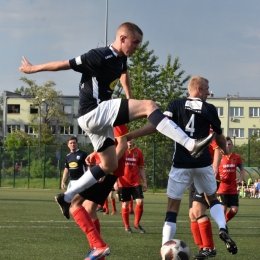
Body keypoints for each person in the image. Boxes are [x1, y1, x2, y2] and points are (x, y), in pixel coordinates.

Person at [19, 22, 214, 258]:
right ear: (122, 38)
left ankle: (68, 196)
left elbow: (124, 75)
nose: (138, 47)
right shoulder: (98, 55)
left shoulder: (121, 60)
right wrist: (32, 69)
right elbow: (65, 64)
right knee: (150, 105)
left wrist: (130, 98)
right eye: (135, 42)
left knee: (109, 164)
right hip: (93, 112)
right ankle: (189, 143)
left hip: (98, 120)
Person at [126, 76, 238, 255]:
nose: (209, 92)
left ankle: (165, 247)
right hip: (202, 162)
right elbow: (219, 137)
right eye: (207, 89)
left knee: (172, 208)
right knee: (212, 198)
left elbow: (158, 125)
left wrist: (132, 135)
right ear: (199, 89)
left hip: (181, 162)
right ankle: (223, 227)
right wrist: (224, 149)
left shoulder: (176, 104)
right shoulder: (209, 109)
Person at [81, 124, 128, 260]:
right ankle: (97, 249)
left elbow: (122, 145)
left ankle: (98, 249)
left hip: (109, 170)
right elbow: (107, 145)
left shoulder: (116, 121)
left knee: (86, 208)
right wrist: (94, 153)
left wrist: (105, 169)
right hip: (103, 167)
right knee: (87, 208)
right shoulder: (104, 121)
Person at [189, 133, 222, 259]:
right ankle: (202, 247)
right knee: (192, 214)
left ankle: (209, 248)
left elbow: (217, 148)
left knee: (198, 210)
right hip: (195, 177)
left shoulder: (206, 130)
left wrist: (214, 167)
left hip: (206, 175)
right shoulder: (188, 130)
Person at [117, 139, 147, 234]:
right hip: (123, 182)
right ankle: (127, 226)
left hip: (136, 182)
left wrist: (145, 182)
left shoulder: (139, 152)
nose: (130, 140)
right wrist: (115, 182)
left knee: (140, 201)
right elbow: (115, 166)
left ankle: (136, 224)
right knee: (125, 204)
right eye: (127, 138)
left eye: (131, 138)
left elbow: (141, 168)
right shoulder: (121, 150)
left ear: (134, 139)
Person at [217, 137, 245, 224]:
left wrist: (240, 178)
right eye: (226, 144)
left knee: (234, 210)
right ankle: (222, 227)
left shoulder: (236, 157)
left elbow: (242, 169)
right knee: (223, 209)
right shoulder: (219, 157)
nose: (228, 146)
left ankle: (223, 222)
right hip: (222, 188)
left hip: (233, 189)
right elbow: (213, 169)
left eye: (229, 144)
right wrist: (218, 177)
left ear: (232, 145)